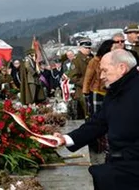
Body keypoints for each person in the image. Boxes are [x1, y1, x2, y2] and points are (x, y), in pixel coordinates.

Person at [54, 49, 139, 190]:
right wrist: (66, 139)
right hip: (119, 164)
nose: (101, 76)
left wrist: (124, 158)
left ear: (122, 68)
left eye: (105, 70)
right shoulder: (116, 90)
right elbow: (98, 123)